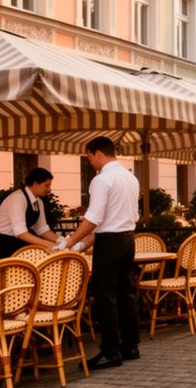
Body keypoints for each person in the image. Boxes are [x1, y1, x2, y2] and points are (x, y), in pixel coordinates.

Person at [58, 136, 140, 370]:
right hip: (128, 240)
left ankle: (111, 351)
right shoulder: (130, 178)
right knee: (126, 293)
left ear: (98, 154)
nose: (90, 162)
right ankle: (131, 347)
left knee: (106, 297)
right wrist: (81, 245)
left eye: (89, 157)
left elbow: (94, 218)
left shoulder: (102, 180)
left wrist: (70, 241)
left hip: (110, 244)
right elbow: (125, 217)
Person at [0, 167, 61, 264]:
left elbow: (42, 229)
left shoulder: (38, 202)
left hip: (18, 245)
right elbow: (20, 232)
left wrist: (61, 240)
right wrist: (49, 245)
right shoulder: (18, 199)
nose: (49, 189)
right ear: (35, 183)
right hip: (1, 246)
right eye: (46, 185)